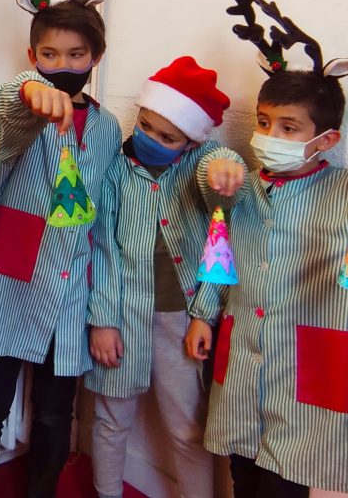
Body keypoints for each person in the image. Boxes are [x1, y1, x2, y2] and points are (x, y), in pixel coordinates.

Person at [184, 0, 348, 497]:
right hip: (242, 367)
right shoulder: (245, 189)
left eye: (289, 128)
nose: (270, 136)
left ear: (326, 140)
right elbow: (221, 256)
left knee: (286, 482)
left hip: (307, 377)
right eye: (264, 123)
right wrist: (205, 313)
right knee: (243, 473)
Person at [0, 0, 140, 497]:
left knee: (58, 414)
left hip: (72, 293)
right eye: (50, 55)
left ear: (96, 58)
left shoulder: (106, 130)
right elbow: (8, 105)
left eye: (76, 55)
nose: (64, 64)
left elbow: (106, 227)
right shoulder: (25, 111)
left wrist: (104, 312)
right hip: (13, 284)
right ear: (33, 57)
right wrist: (31, 92)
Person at [87, 56, 236, 498]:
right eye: (145, 126)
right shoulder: (117, 170)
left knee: (188, 428)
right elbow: (103, 248)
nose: (150, 140)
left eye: (167, 137)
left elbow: (220, 240)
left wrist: (203, 316)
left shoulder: (201, 165)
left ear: (190, 142)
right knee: (111, 419)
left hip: (180, 321)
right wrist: (103, 321)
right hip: (123, 317)